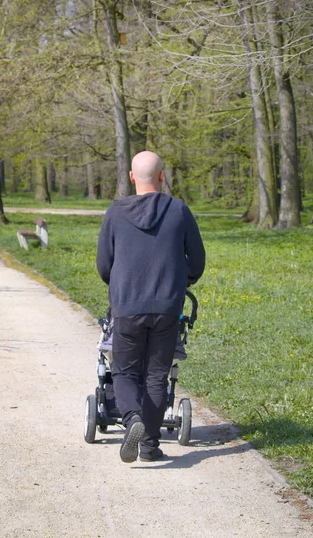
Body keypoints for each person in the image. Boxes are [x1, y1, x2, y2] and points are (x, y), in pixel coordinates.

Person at [96, 151, 205, 463]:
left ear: (132, 177)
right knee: (157, 375)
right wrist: (183, 279)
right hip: (167, 306)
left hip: (127, 305)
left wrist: (117, 283)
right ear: (162, 176)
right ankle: (149, 445)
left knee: (125, 370)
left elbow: (104, 264)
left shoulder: (115, 213)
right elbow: (197, 261)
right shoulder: (179, 210)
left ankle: (132, 420)